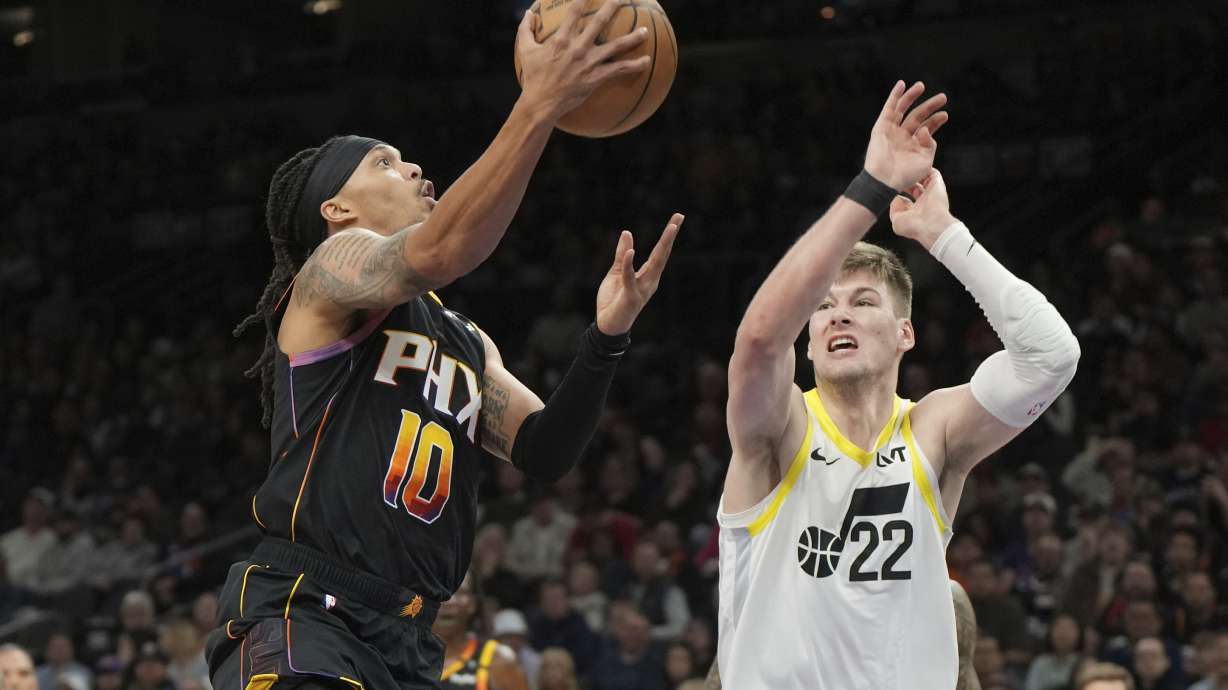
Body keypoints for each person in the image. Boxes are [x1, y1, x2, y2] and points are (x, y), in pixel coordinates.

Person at [204, 3, 682, 689]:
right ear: (336, 209)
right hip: (306, 611)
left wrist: (605, 338)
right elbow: (443, 250)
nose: (413, 166)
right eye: (384, 162)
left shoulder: (465, 341)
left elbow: (546, 450)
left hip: (409, 639)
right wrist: (539, 104)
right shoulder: (329, 276)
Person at [716, 79, 1080, 689]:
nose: (839, 315)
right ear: (807, 340)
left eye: (863, 302)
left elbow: (1051, 356)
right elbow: (757, 343)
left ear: (906, 334)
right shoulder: (781, 428)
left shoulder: (933, 430)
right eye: (824, 307)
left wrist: (943, 235)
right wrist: (870, 187)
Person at [434, 573, 528, 690]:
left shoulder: (499, 660)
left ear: (472, 604)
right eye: (438, 590)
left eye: (459, 592)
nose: (449, 601)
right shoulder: (405, 656)